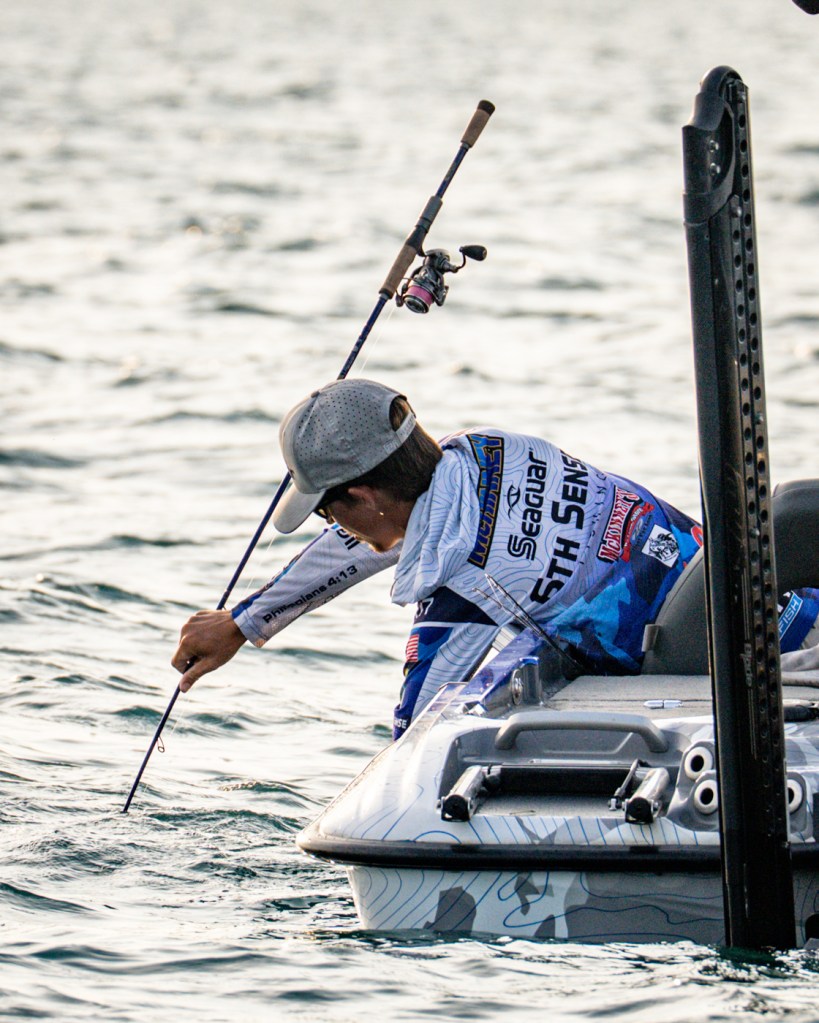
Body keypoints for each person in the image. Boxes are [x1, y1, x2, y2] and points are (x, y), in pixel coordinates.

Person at [172, 378, 818, 739]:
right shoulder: (488, 450)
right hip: (783, 598)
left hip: (754, 668)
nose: (332, 525)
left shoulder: (465, 594)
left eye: (325, 510)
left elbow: (416, 738)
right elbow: (398, 530)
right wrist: (243, 623)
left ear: (362, 497)